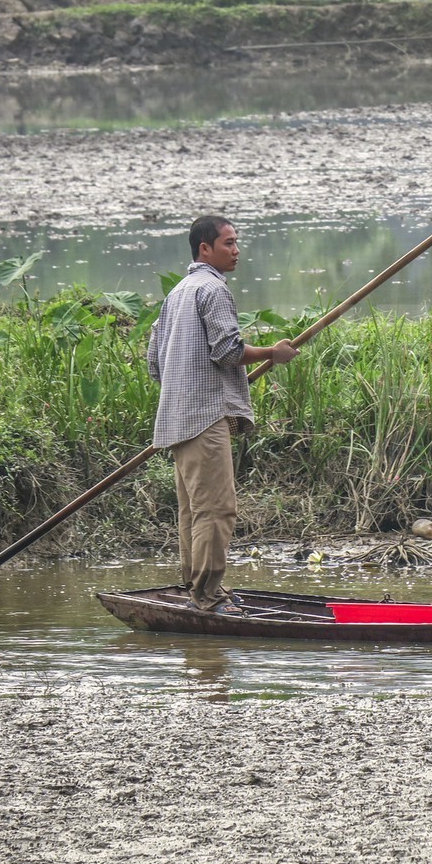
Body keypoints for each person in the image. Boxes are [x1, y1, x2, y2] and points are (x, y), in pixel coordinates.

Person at [147, 215, 298, 614]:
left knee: (194, 511)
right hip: (203, 418)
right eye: (229, 243)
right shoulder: (212, 289)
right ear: (205, 249)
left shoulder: (178, 292)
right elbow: (228, 351)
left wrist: (183, 384)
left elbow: (153, 362)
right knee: (216, 510)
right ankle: (209, 596)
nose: (236, 250)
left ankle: (194, 589)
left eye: (236, 242)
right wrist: (272, 353)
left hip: (176, 419)